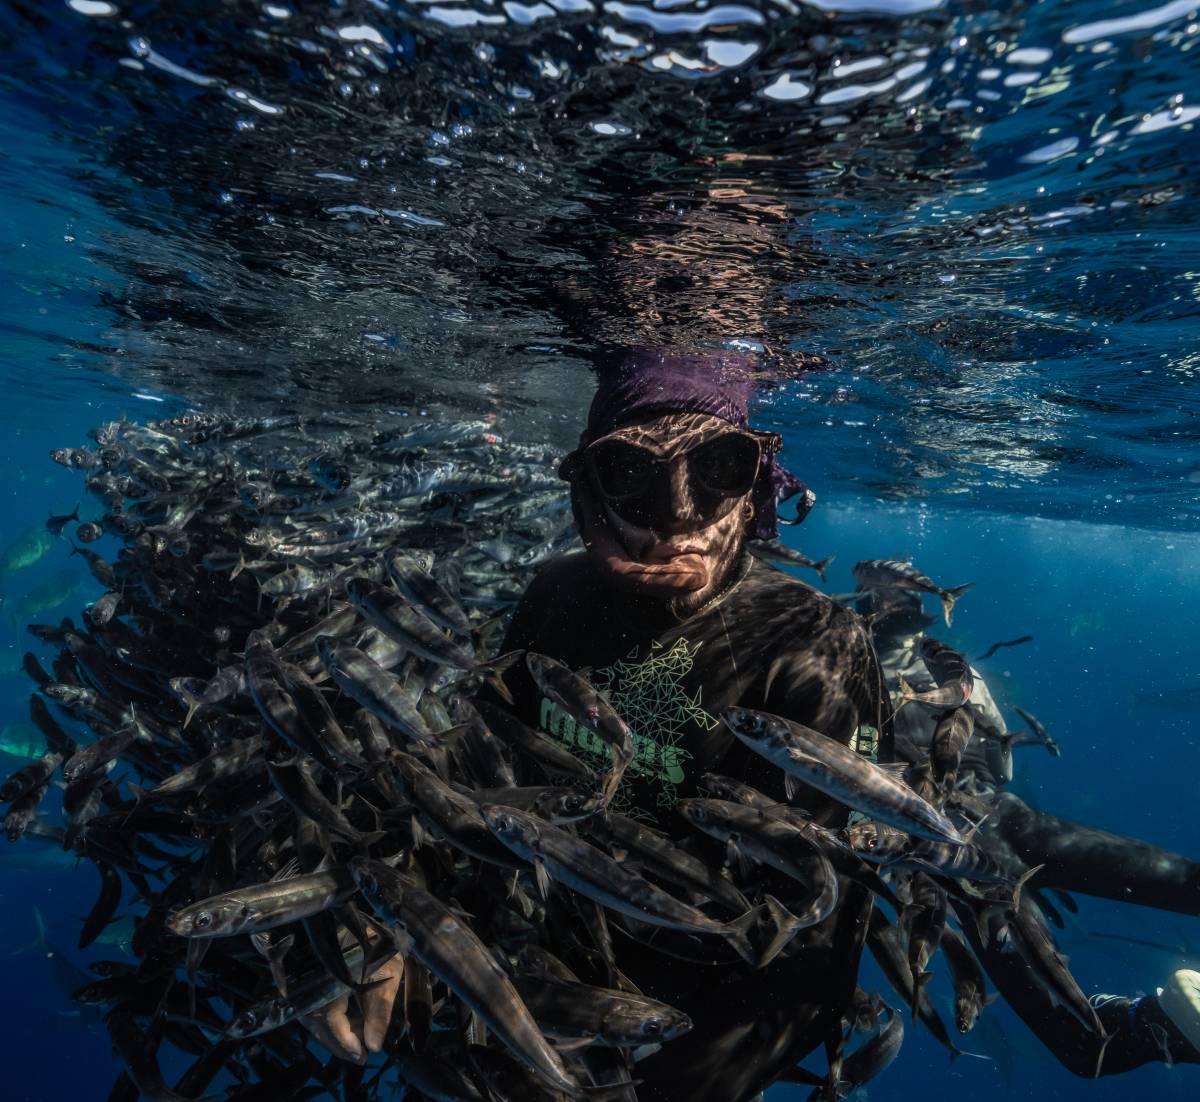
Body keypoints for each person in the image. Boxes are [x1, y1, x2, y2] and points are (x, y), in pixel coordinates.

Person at [864, 591, 1200, 1076]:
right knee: (1189, 885)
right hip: (1016, 822)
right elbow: (1002, 763)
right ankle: (1161, 1023)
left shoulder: (842, 677)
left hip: (956, 857)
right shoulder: (960, 672)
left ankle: (1156, 1025)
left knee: (1085, 1047)